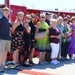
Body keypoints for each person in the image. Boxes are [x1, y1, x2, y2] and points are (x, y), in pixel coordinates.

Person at [0, 7, 11, 72]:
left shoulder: (8, 20)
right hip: (2, 38)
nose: (6, 13)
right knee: (1, 53)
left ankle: (3, 66)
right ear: (2, 12)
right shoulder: (1, 19)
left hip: (8, 38)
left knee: (5, 53)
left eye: (7, 12)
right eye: (5, 11)